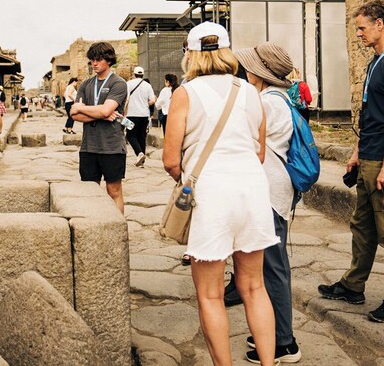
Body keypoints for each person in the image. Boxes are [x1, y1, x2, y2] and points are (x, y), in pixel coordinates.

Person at [162, 22, 278, 366]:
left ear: (191, 54)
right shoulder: (249, 91)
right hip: (252, 192)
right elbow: (259, 152)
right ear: (226, 51)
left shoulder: (186, 93)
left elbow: (171, 159)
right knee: (255, 287)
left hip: (212, 195)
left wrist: (186, 174)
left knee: (210, 295)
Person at [318, 0, 384, 323]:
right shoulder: (376, 62)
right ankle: (353, 285)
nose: (358, 33)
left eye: (362, 27)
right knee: (363, 226)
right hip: (370, 157)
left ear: (380, 24)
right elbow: (371, 114)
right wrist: (358, 152)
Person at [235, 43, 302, 364]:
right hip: (276, 191)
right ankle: (273, 329)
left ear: (259, 72)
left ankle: (284, 343)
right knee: (270, 266)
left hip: (269, 195)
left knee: (273, 268)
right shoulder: (278, 100)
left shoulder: (265, 103)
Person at [70, 42, 128, 214]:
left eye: (99, 59)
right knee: (90, 191)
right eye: (92, 60)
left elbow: (105, 110)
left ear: (109, 60)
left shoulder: (119, 83)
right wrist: (100, 113)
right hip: (89, 146)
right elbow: (74, 114)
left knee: (114, 191)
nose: (94, 63)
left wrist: (84, 108)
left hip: (112, 146)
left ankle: (118, 229)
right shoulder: (86, 85)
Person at [125, 66, 156, 167]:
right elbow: (152, 100)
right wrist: (145, 104)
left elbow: (126, 99)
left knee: (130, 135)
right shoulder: (147, 85)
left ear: (134, 74)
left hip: (131, 114)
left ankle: (139, 153)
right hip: (144, 114)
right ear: (143, 75)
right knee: (142, 136)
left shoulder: (128, 84)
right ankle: (142, 162)